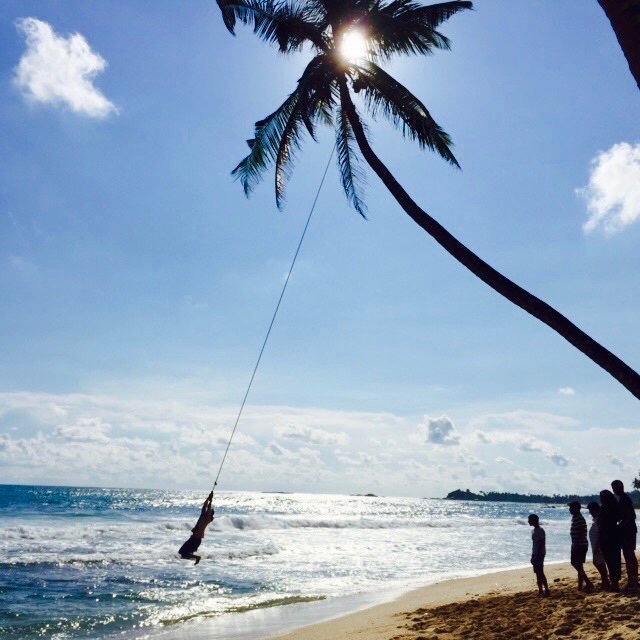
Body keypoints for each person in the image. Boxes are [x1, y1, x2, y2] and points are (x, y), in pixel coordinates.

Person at [611, 479, 639, 591]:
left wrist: (619, 526)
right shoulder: (623, 499)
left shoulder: (625, 499)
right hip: (628, 530)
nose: (614, 490)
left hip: (628, 531)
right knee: (629, 556)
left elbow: (631, 516)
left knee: (629, 556)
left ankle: (633, 581)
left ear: (620, 487)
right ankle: (633, 580)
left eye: (614, 488)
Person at [178, 491, 215, 565]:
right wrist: (208, 498)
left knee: (184, 553)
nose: (207, 510)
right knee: (181, 553)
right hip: (193, 538)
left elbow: (208, 508)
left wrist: (210, 501)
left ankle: (197, 558)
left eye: (209, 511)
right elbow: (205, 506)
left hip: (196, 540)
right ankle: (195, 558)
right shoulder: (202, 515)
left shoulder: (208, 519)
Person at [598, 489, 622, 592]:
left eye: (602, 497)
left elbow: (602, 524)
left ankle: (614, 584)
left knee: (610, 561)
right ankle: (615, 582)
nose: (601, 499)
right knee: (615, 560)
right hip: (614, 536)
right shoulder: (614, 507)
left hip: (606, 537)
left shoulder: (604, 508)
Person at [568, 501, 593, 592]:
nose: (570, 510)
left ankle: (588, 582)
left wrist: (575, 545)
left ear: (576, 509)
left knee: (575, 563)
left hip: (579, 544)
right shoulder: (576, 518)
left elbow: (580, 533)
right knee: (579, 566)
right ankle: (580, 586)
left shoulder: (579, 518)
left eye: (571, 508)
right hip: (579, 544)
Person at [587, 501, 611, 591]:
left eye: (590, 510)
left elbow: (600, 533)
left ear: (595, 509)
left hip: (598, 545)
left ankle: (605, 581)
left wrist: (597, 546)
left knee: (598, 563)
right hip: (596, 545)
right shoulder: (597, 519)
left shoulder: (598, 519)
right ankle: (605, 581)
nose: (590, 512)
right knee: (599, 563)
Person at [528, 513, 550, 597]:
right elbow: (535, 545)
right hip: (535, 553)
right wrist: (533, 555)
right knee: (537, 572)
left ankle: (546, 590)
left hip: (539, 554)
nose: (528, 521)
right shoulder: (533, 530)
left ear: (534, 521)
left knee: (540, 572)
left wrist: (536, 556)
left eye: (529, 520)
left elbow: (541, 544)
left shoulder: (540, 530)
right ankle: (541, 590)